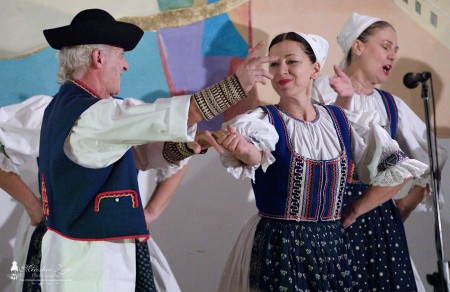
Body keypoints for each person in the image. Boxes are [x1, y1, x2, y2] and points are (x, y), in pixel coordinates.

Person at [37, 8, 274, 291]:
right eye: (121, 55)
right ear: (98, 58)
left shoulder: (67, 106)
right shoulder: (95, 114)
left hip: (81, 252)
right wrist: (240, 82)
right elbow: (166, 116)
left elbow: (139, 156)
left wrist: (188, 145)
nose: (125, 66)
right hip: (91, 261)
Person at [214, 31, 428, 291]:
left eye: (291, 61)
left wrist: (356, 209)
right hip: (279, 245)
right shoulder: (263, 121)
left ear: (315, 68)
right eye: (274, 63)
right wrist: (243, 149)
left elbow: (397, 167)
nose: (282, 69)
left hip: (331, 246)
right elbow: (256, 155)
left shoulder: (340, 121)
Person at [313, 12, 448, 291]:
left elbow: (433, 156)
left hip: (376, 218)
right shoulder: (320, 89)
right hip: (327, 214)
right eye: (386, 46)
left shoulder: (390, 104)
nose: (392, 56)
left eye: (395, 50)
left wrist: (403, 206)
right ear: (358, 46)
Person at [0, 95, 186, 292]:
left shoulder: (128, 112)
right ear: (97, 61)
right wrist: (32, 205)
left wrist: (150, 212)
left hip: (118, 236)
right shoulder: (50, 112)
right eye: (119, 60)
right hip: (60, 235)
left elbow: (180, 154)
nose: (125, 66)